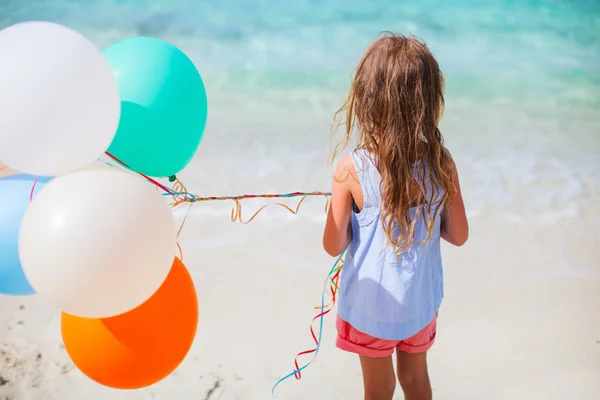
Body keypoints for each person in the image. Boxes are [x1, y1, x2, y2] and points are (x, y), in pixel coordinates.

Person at [323, 32, 468, 400]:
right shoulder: (441, 164)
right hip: (418, 303)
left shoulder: (350, 169)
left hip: (371, 307)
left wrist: (342, 202)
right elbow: (459, 235)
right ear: (428, 101)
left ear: (367, 99)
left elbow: (332, 244)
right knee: (417, 382)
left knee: (378, 389)